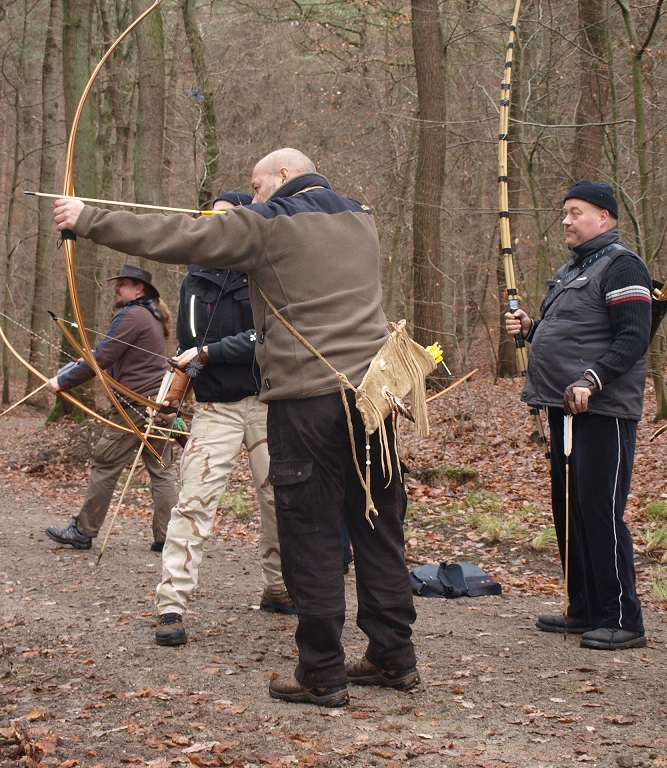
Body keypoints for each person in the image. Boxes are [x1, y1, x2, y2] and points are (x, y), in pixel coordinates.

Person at [54, 148, 418, 708]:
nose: (254, 195)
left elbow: (179, 236)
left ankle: (321, 672)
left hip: (307, 404)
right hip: (374, 401)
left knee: (312, 535)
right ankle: (394, 656)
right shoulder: (360, 217)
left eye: (258, 184)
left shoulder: (269, 225)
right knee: (377, 528)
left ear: (284, 176)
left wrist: (87, 219)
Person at [505, 180, 651, 651]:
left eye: (576, 212)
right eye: (564, 212)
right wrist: (532, 328)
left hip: (602, 408)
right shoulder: (573, 269)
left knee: (601, 510)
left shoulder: (623, 266)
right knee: (570, 510)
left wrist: (593, 378)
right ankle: (585, 606)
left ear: (603, 217)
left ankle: (623, 617)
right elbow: (575, 330)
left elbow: (633, 337)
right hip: (563, 406)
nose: (565, 220)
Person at [154, 191, 294, 649]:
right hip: (215, 408)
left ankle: (279, 587)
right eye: (209, 218)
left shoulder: (265, 269)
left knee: (278, 498)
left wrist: (209, 352)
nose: (215, 225)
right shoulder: (195, 277)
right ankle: (171, 604)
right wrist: (173, 393)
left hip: (266, 402)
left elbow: (269, 335)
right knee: (193, 501)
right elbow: (186, 343)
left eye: (226, 218)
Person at [45, 264, 177, 552]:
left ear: (138, 289)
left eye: (123, 284)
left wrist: (62, 382)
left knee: (105, 464)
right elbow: (113, 354)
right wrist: (89, 357)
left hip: (134, 407)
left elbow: (103, 359)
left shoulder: (132, 315)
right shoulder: (150, 315)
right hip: (157, 404)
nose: (117, 288)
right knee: (161, 470)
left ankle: (82, 531)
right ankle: (168, 538)